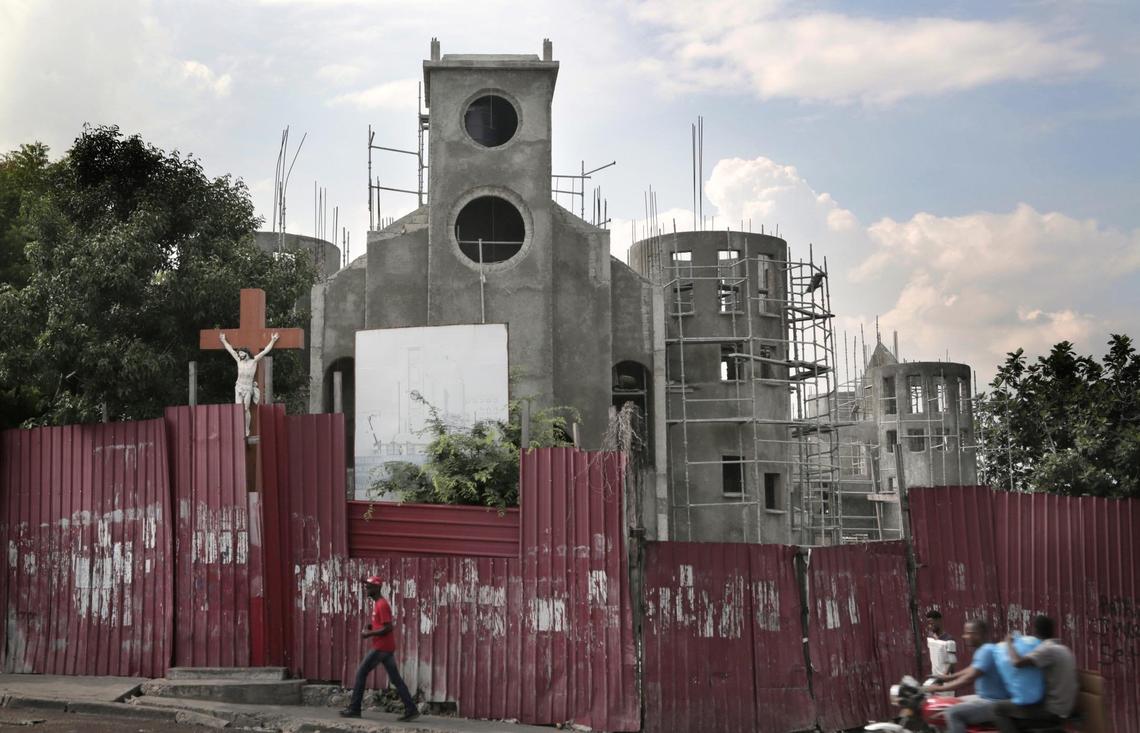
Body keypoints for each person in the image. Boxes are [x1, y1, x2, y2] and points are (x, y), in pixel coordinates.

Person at [339, 576, 419, 722]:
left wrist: (369, 633)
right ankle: (411, 709)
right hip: (386, 648)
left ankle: (354, 709)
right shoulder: (378, 604)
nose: (366, 589)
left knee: (361, 673)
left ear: (377, 588)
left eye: (369, 587)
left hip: (381, 648)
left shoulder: (381, 604)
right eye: (366, 586)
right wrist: (371, 627)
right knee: (396, 679)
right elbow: (382, 625)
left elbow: (388, 627)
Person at [993, 615, 1077, 733]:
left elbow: (1017, 662)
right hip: (1066, 709)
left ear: (1036, 631)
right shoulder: (1064, 649)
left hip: (1051, 711)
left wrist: (1009, 643)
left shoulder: (1047, 650)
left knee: (998, 708)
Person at [925, 619, 1009, 733]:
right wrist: (947, 678)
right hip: (985, 698)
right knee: (953, 702)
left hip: (993, 702)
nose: (965, 636)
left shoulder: (986, 651)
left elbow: (969, 678)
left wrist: (939, 688)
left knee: (953, 713)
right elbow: (971, 669)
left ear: (979, 634)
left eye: (969, 633)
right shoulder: (984, 650)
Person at [219, 331, 278, 435]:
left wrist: (272, 340)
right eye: (239, 354)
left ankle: (246, 429)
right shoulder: (238, 361)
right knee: (238, 409)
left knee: (246, 409)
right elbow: (230, 350)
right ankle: (238, 429)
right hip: (239, 387)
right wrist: (223, 340)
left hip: (247, 388)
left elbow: (265, 352)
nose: (240, 355)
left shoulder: (253, 361)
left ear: (246, 353)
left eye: (242, 354)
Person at [925, 609, 957, 682]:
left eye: (932, 623)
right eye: (928, 624)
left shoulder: (949, 639)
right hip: (935, 679)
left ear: (939, 621)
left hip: (947, 680)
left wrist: (943, 677)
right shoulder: (931, 638)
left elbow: (952, 662)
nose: (930, 626)